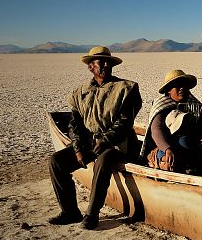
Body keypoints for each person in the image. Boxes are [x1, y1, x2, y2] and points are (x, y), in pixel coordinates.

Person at [48, 46, 142, 230]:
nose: (106, 65)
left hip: (119, 144)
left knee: (104, 160)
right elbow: (74, 124)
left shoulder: (126, 88)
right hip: (89, 143)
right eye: (101, 62)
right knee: (56, 161)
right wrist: (77, 149)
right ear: (91, 66)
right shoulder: (79, 93)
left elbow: (124, 122)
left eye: (108, 62)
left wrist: (106, 140)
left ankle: (92, 214)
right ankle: (70, 211)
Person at [139, 69, 202, 173]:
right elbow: (156, 130)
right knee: (170, 161)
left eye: (184, 85)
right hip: (165, 149)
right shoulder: (162, 106)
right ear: (169, 90)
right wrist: (167, 149)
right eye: (177, 85)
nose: (182, 88)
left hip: (191, 148)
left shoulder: (197, 107)